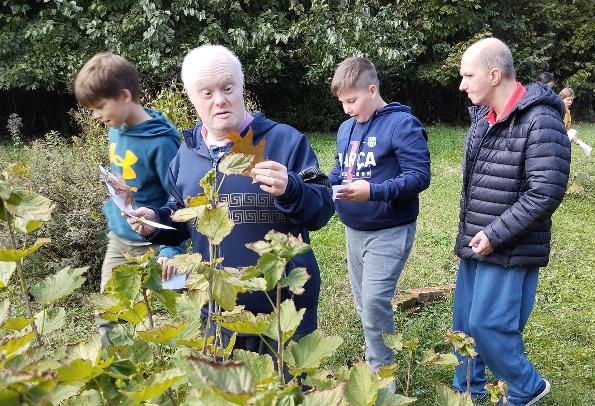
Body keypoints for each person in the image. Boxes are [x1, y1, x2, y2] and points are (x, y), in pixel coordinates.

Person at [126, 44, 334, 353]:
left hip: (282, 310)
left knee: (288, 398)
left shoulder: (284, 141)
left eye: (227, 88)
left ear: (241, 85)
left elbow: (321, 211)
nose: (220, 100)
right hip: (217, 312)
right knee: (229, 398)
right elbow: (181, 215)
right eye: (206, 93)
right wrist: (155, 222)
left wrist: (292, 188)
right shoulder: (187, 154)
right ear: (191, 96)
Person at [452, 38, 570, 406]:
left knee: (490, 326)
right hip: (476, 238)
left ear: (494, 73)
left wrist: (495, 235)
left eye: (468, 75)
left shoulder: (540, 119)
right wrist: (475, 234)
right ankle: (469, 389)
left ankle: (525, 387)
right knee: (464, 324)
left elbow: (545, 192)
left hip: (509, 246)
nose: (462, 84)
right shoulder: (483, 119)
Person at [328, 57, 431, 375]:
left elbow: (419, 176)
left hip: (389, 228)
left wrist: (373, 191)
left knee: (373, 302)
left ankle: (381, 376)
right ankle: (377, 355)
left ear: (372, 90)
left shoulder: (402, 124)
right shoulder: (346, 128)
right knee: (364, 304)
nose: (347, 109)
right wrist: (318, 183)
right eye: (342, 102)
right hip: (353, 229)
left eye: (352, 100)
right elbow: (338, 173)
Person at [74, 52, 183, 345]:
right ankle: (114, 372)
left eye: (99, 107)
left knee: (185, 309)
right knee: (109, 312)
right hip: (120, 241)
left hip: (157, 245)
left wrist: (173, 251)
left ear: (124, 96)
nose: (96, 115)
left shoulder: (162, 143)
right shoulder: (116, 129)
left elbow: (183, 200)